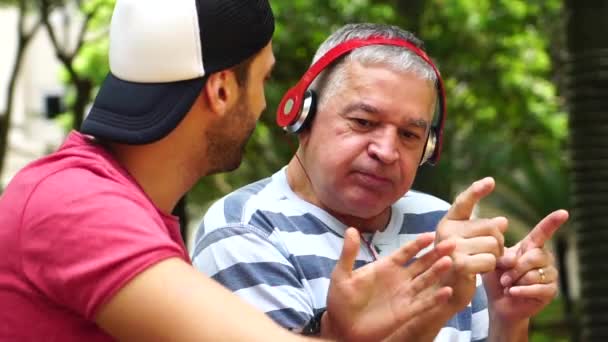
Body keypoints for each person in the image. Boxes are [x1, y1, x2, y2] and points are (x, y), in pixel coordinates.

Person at [0, 2, 458, 341]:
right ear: (221, 91)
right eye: (261, 79)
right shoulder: (79, 207)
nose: (264, 104)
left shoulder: (116, 207)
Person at [192, 23, 569, 341]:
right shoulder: (244, 231)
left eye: (409, 134)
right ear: (303, 117)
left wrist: (509, 320)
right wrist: (437, 307)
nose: (387, 151)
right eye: (363, 122)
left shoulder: (443, 223)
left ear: (429, 147)